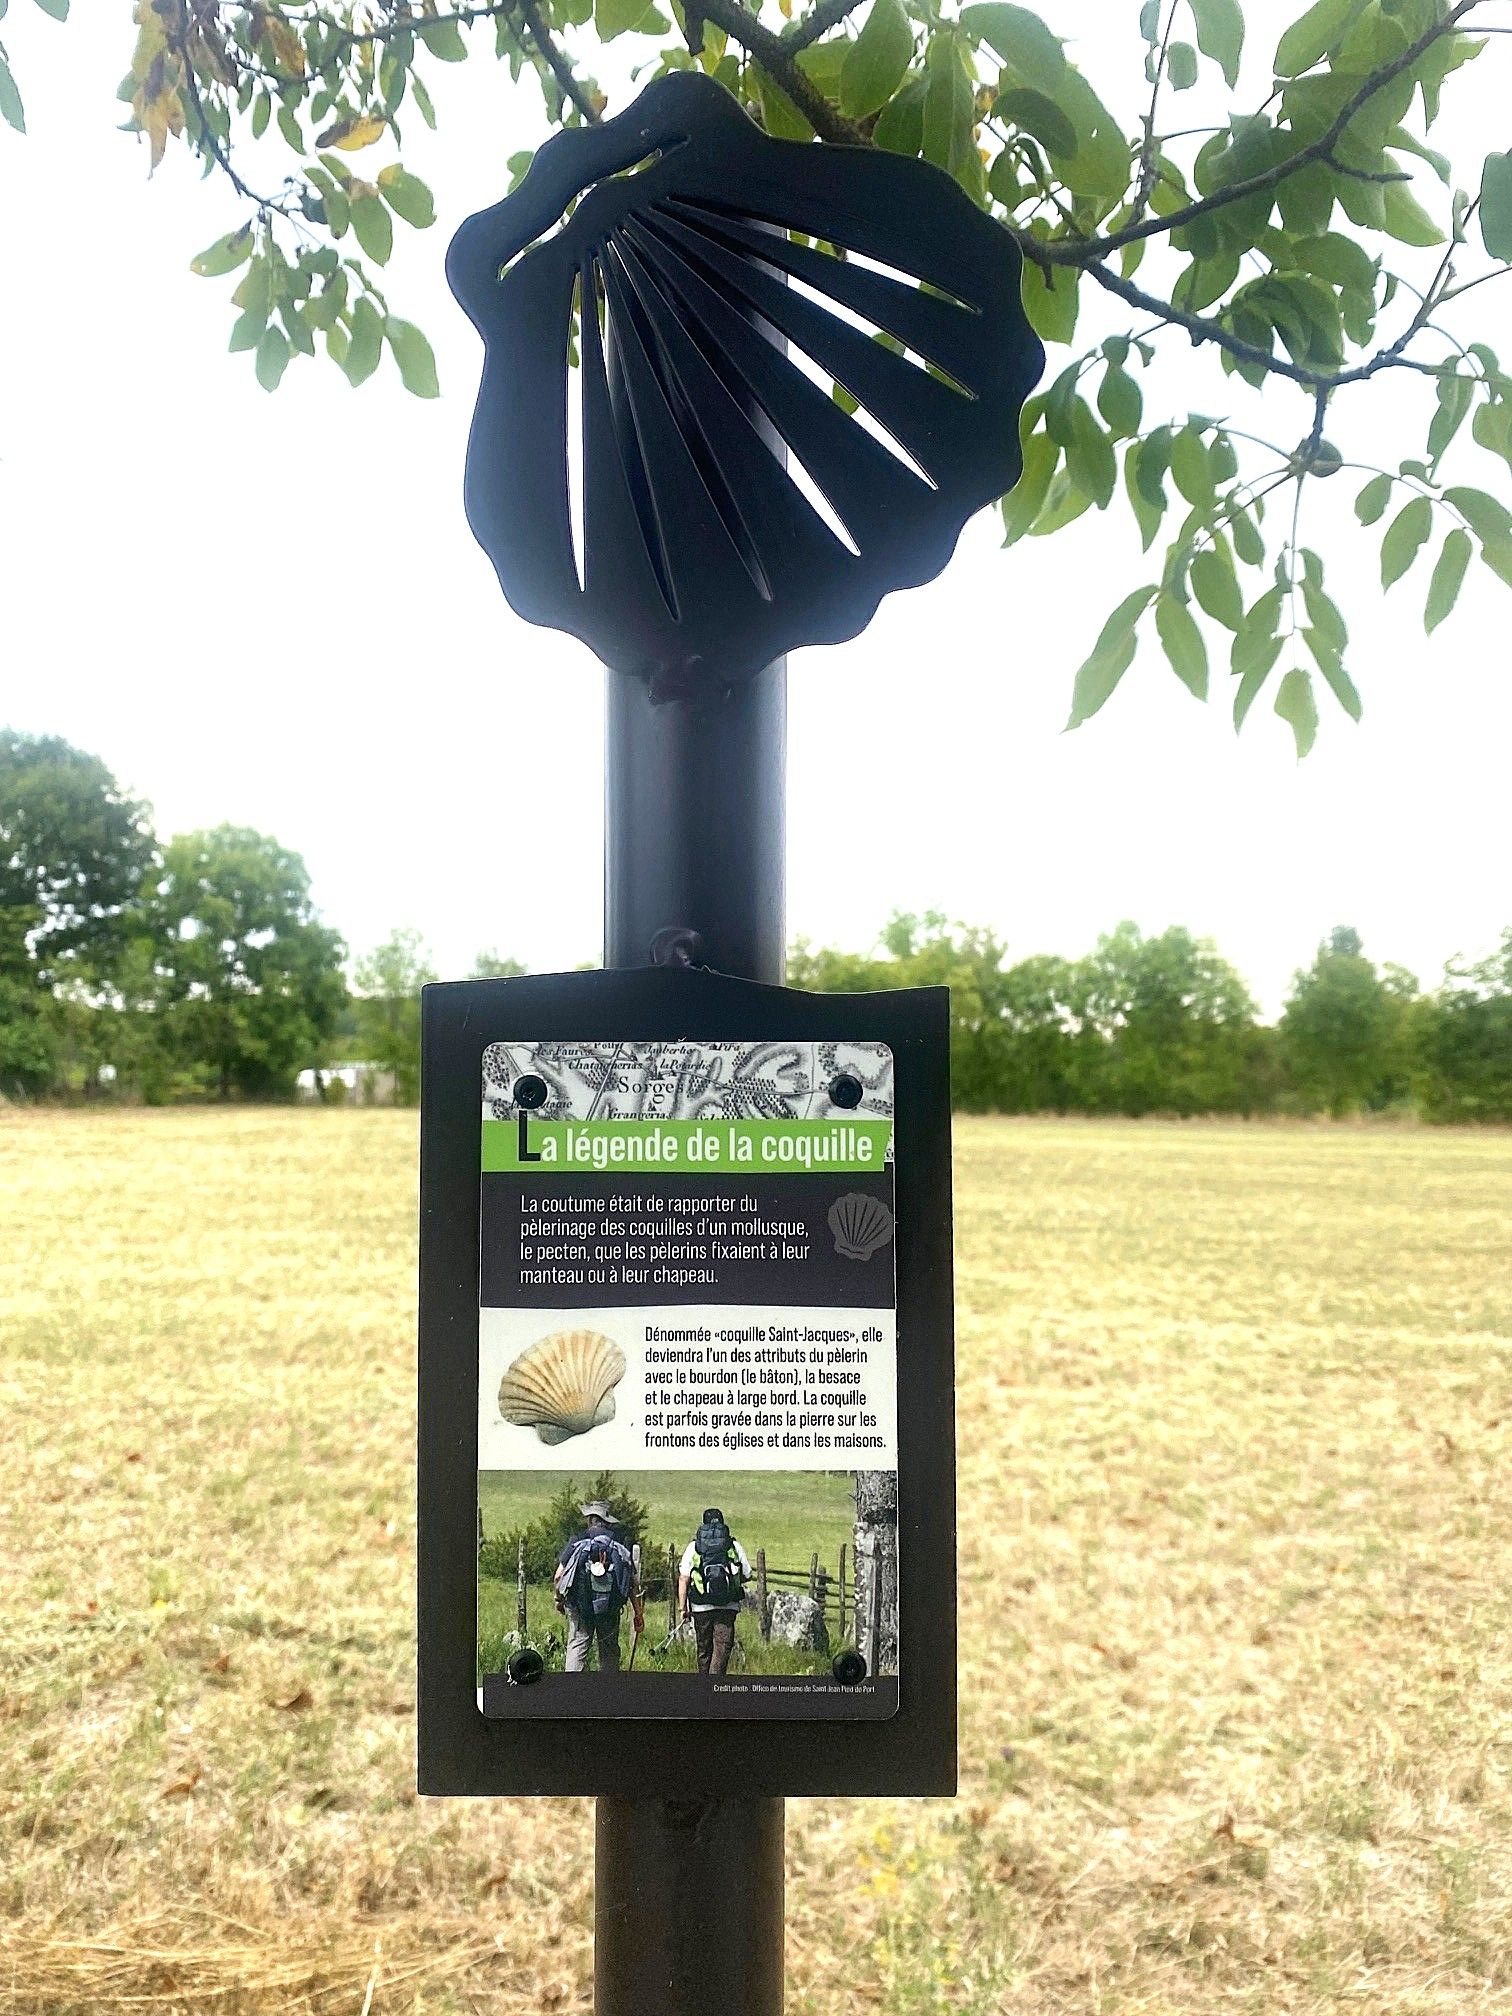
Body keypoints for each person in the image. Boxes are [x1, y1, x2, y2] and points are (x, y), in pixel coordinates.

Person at [555, 1500, 640, 1673]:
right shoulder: (620, 1543)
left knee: (577, 1646)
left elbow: (558, 1576)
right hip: (609, 1608)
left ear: (590, 1519)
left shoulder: (577, 1540)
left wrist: (559, 1599)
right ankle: (608, 1691)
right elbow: (632, 1583)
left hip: (579, 1606)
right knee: (609, 1649)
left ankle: (571, 1689)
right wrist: (638, 1612)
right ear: (607, 1521)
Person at [678, 1507, 752, 1676]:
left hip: (700, 1606)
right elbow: (748, 1575)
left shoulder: (694, 1546)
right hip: (727, 1606)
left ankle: (704, 1687)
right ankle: (716, 1685)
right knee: (722, 1647)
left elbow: (683, 1578)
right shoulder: (733, 1545)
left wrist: (683, 1608)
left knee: (703, 1649)